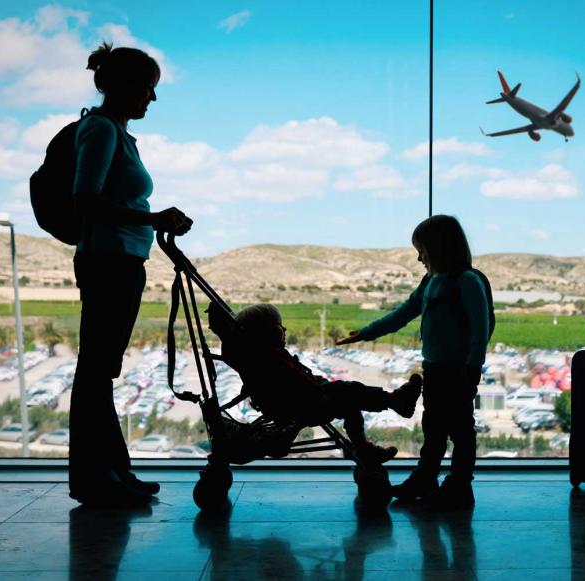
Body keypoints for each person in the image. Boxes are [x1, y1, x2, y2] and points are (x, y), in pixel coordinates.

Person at [69, 42, 193, 508]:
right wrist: (153, 218)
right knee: (96, 372)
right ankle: (96, 477)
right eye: (147, 88)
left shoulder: (116, 133)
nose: (152, 99)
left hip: (120, 260)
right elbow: (86, 199)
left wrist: (151, 221)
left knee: (102, 372)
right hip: (109, 261)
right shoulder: (100, 130)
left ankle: (112, 471)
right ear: (122, 86)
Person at [337, 215, 490, 509]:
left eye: (422, 250)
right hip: (435, 368)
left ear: (438, 248)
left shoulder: (467, 282)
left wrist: (472, 370)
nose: (419, 257)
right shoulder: (432, 282)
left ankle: (457, 486)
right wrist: (366, 333)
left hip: (457, 371)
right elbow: (405, 312)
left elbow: (479, 332)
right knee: (434, 428)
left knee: (459, 430)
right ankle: (428, 479)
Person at [220, 304, 422, 463]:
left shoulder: (258, 358)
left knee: (350, 403)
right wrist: (321, 388)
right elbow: (297, 384)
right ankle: (394, 401)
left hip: (300, 402)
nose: (285, 329)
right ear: (270, 332)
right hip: (305, 405)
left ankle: (364, 447)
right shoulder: (272, 359)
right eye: (280, 326)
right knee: (349, 391)